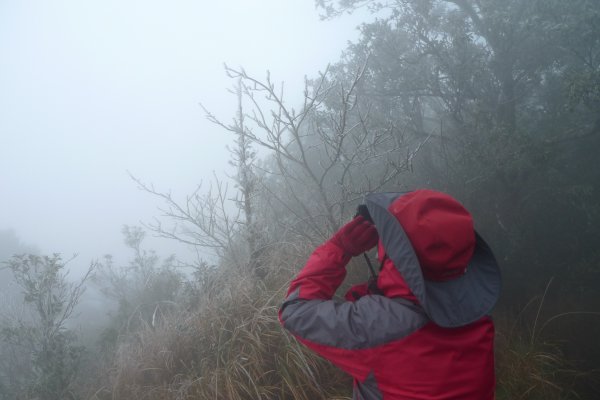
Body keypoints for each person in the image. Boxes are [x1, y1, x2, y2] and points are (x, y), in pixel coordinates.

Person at [279, 190, 501, 399]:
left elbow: (294, 311)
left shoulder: (380, 326)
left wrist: (339, 248)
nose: (377, 256)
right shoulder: (477, 316)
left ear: (400, 257)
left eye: (387, 242)